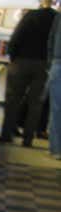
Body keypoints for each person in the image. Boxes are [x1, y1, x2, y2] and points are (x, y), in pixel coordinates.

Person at [0, 0, 58, 147]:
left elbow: (17, 35)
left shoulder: (31, 15)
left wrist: (13, 56)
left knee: (13, 100)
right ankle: (28, 139)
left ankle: (7, 134)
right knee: (36, 103)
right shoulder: (57, 19)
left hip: (22, 61)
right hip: (45, 64)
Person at [49, 11, 61, 157]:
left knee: (56, 109)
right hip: (58, 62)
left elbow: (51, 39)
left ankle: (56, 149)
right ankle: (56, 148)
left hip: (57, 63)